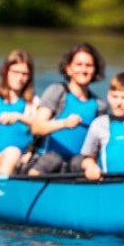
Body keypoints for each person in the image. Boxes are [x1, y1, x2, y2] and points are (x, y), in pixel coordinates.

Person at [27, 43, 107, 175]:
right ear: (68, 68)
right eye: (79, 65)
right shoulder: (57, 91)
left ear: (95, 70)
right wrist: (64, 123)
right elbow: (37, 127)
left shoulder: (99, 105)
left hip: (76, 166)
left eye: (89, 65)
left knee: (84, 162)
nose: (84, 70)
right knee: (53, 160)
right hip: (46, 161)